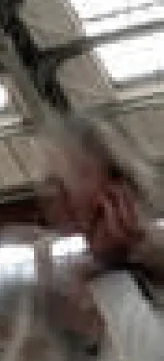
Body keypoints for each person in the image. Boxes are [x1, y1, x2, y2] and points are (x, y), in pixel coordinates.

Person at [40, 114, 164, 360]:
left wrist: (111, 271)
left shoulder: (129, 280)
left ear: (117, 186)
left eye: (79, 172)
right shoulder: (73, 284)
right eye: (50, 181)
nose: (53, 192)